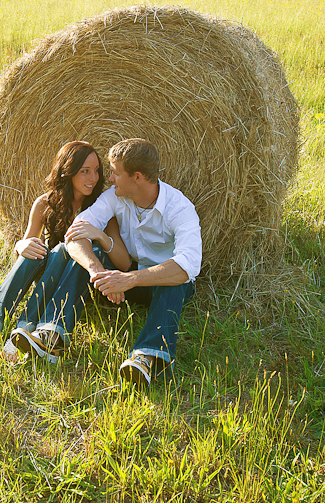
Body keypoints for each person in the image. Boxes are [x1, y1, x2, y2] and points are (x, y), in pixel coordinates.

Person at [12, 138, 202, 386]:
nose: (108, 179)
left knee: (175, 280)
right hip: (121, 276)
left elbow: (187, 266)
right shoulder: (114, 197)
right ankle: (52, 335)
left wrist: (128, 280)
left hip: (159, 283)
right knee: (87, 254)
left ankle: (147, 357)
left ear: (137, 177)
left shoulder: (180, 209)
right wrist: (98, 272)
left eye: (114, 173)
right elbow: (74, 236)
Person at [0, 141, 130, 362]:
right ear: (68, 171)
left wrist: (100, 236)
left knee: (66, 248)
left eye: (96, 171)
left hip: (78, 285)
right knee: (39, 249)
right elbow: (24, 259)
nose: (93, 178)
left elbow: (124, 264)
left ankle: (24, 328)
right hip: (47, 278)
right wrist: (20, 245)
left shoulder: (101, 209)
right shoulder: (45, 204)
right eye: (84, 171)